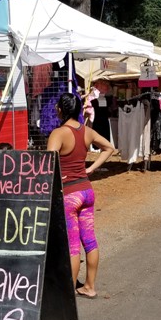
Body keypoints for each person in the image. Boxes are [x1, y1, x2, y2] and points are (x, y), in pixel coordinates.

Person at [46, 93, 115, 299]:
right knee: (90, 241)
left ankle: (67, 293)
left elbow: (49, 165)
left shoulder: (58, 133)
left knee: (73, 245)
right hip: (86, 190)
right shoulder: (87, 131)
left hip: (68, 194)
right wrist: (90, 169)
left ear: (60, 109)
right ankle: (89, 286)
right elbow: (110, 148)